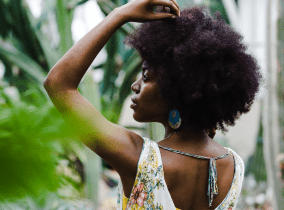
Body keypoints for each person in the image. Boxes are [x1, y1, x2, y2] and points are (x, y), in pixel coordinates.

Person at [43, 0, 262, 209]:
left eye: (146, 76)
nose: (135, 86)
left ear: (176, 89)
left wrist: (121, 14)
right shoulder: (233, 166)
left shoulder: (140, 160)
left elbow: (59, 85)